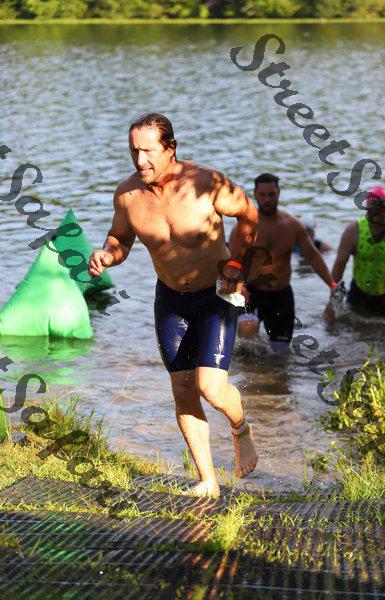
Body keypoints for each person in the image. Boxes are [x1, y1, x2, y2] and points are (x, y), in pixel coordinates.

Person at [88, 113, 259, 498]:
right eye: (134, 151)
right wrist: (107, 255)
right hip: (170, 299)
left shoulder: (207, 183)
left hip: (216, 293)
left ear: (170, 148)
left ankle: (241, 428)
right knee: (183, 390)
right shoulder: (128, 195)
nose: (140, 160)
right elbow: (120, 238)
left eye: (148, 151)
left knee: (210, 388)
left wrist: (236, 264)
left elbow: (249, 216)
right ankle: (208, 481)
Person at [229, 173, 338, 350]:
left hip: (281, 295)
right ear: (255, 195)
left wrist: (332, 284)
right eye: (262, 195)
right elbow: (231, 260)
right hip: (251, 293)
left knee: (280, 353)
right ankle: (248, 366)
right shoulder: (244, 227)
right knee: (247, 337)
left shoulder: (293, 226)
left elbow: (313, 256)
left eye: (271, 194)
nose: (267, 199)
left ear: (278, 194)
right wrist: (238, 285)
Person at [329, 186, 385, 317]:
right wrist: (333, 301)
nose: (378, 212)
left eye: (382, 207)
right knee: (354, 324)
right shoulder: (354, 230)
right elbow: (339, 267)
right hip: (359, 291)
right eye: (374, 207)